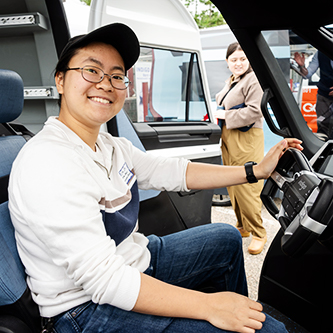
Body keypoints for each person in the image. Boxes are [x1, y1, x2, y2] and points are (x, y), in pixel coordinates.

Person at [8, 23, 302, 333]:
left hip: (133, 261)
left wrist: (253, 171)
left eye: (117, 76)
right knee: (270, 331)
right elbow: (105, 279)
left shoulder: (109, 145)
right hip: (83, 309)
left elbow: (173, 172)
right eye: (91, 71)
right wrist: (209, 306)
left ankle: (236, 320)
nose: (106, 84)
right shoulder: (48, 161)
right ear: (61, 81)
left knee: (225, 239)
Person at [214, 42, 266, 255]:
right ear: (227, 62)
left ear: (249, 61)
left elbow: (256, 110)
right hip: (229, 136)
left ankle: (259, 232)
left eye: (242, 59)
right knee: (232, 181)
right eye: (234, 59)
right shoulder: (233, 81)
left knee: (247, 184)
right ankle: (243, 225)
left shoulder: (253, 80)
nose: (238, 63)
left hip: (246, 137)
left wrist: (226, 115)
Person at [294, 51, 333, 139]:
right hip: (324, 96)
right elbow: (307, 75)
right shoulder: (320, 53)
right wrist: (302, 66)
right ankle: (324, 149)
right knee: (323, 126)